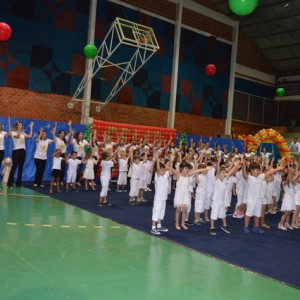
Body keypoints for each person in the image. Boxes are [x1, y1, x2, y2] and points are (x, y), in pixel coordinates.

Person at [242, 158, 284, 234]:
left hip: (259, 199)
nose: (258, 172)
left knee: (258, 214)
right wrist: (243, 165)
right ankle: (246, 226)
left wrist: (278, 168)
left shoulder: (260, 177)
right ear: (251, 171)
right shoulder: (249, 178)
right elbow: (244, 175)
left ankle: (256, 227)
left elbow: (269, 172)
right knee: (248, 213)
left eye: (259, 170)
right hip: (251, 199)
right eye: (256, 170)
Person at [173, 161, 211, 230]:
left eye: (187, 169)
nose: (187, 170)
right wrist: (171, 160)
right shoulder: (178, 175)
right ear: (181, 168)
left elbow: (197, 171)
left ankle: (182, 223)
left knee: (184, 210)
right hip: (179, 194)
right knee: (178, 210)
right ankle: (177, 224)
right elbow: (171, 169)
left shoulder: (188, 175)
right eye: (185, 168)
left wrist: (205, 169)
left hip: (185, 194)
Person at [150, 154, 174, 235]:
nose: (163, 171)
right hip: (158, 198)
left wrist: (171, 160)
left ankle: (159, 226)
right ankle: (153, 228)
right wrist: (157, 160)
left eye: (164, 170)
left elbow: (170, 171)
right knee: (156, 212)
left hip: (164, 198)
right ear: (158, 171)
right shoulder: (158, 176)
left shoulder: (165, 175)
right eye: (162, 170)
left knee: (161, 212)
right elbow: (157, 168)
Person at [7, 121, 33, 188]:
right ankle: (9, 184)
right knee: (14, 166)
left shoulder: (23, 133)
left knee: (21, 167)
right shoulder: (13, 133)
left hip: (23, 151)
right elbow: (18, 137)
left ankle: (19, 184)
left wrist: (31, 128)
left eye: (21, 125)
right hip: (16, 151)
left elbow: (30, 136)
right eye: (19, 125)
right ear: (17, 126)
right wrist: (18, 129)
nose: (21, 126)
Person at [53, 120, 73, 184]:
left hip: (64, 154)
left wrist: (69, 125)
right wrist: (55, 126)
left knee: (63, 168)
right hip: (58, 155)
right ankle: (55, 181)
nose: (63, 134)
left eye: (64, 133)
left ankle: (60, 181)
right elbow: (53, 133)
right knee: (57, 168)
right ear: (59, 134)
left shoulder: (65, 139)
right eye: (62, 133)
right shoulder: (57, 139)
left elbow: (70, 133)